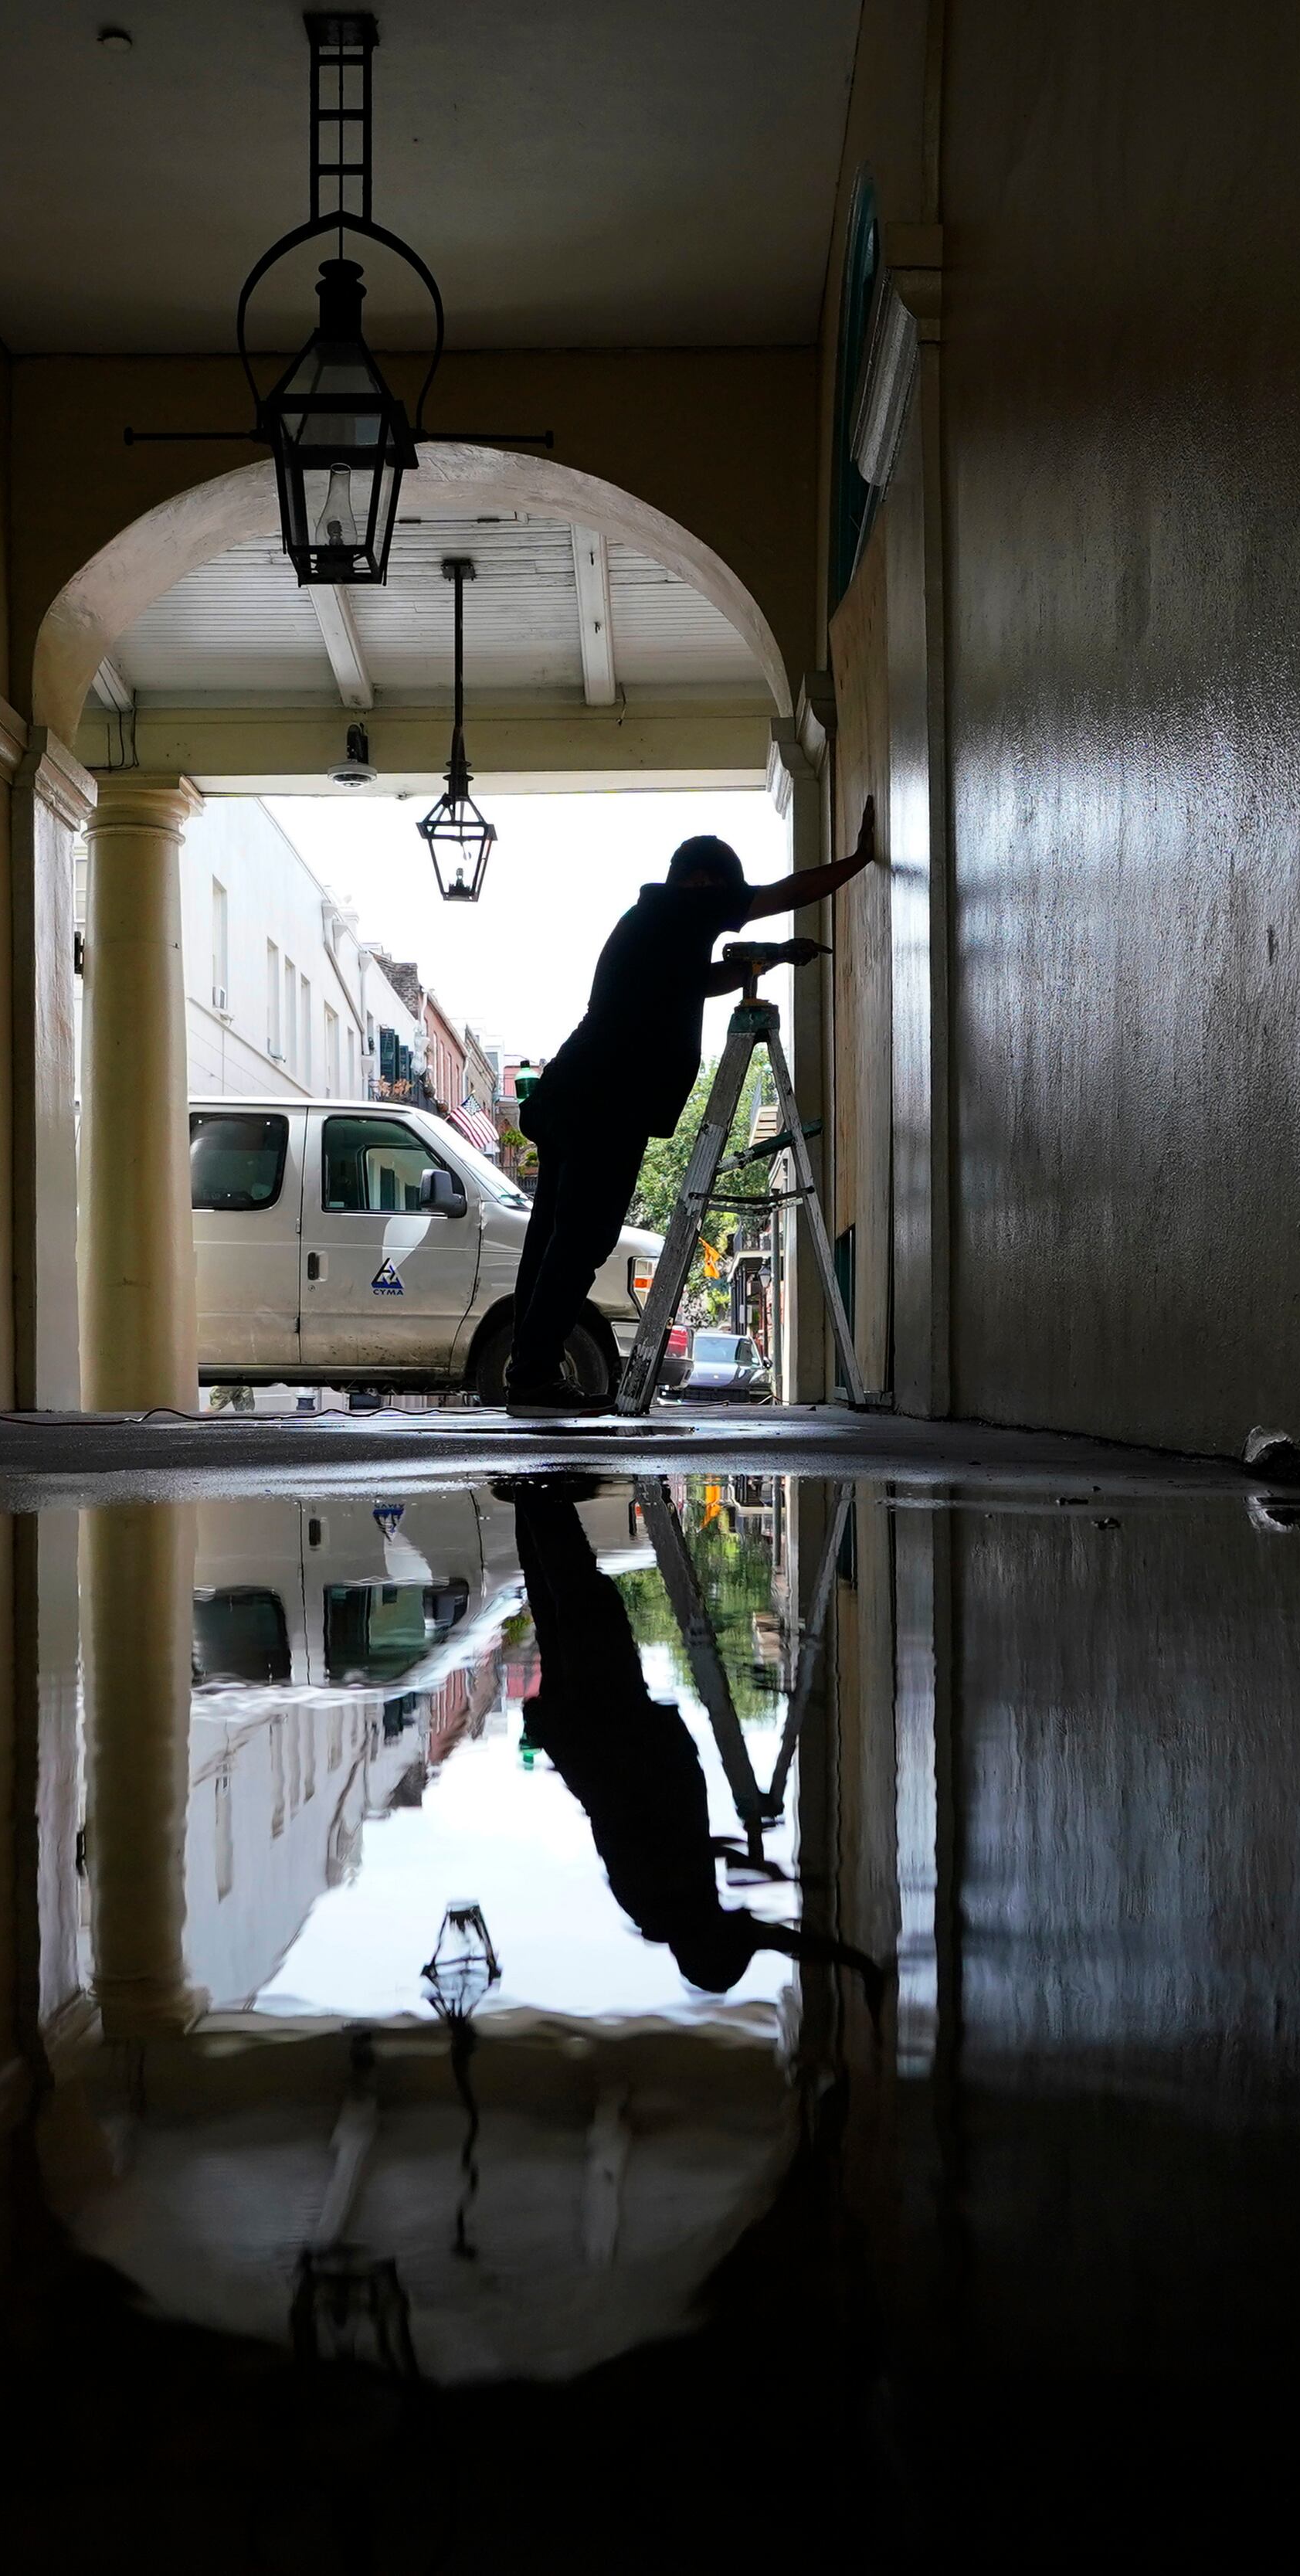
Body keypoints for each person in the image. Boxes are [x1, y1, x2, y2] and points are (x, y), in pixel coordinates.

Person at [499, 804, 881, 1412]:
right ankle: (535, 1376)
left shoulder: (654, 924)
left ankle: (528, 1373)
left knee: (554, 1237)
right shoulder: (682, 907)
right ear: (705, 883)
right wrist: (858, 862)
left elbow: (696, 983)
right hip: (606, 1100)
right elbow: (783, 893)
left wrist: (772, 958)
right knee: (583, 1237)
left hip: (574, 1094)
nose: (730, 906)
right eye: (726, 893)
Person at [502, 1472, 888, 2003]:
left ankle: (538, 1494)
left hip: (609, 1727)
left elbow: (638, 1818)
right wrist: (858, 1964)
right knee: (564, 1607)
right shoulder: (674, 1908)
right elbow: (775, 1937)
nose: (748, 1928)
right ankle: (531, 1498)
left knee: (585, 1604)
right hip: (596, 1732)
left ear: (712, 1942)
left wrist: (733, 1856)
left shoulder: (668, 1901)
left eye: (738, 1940)